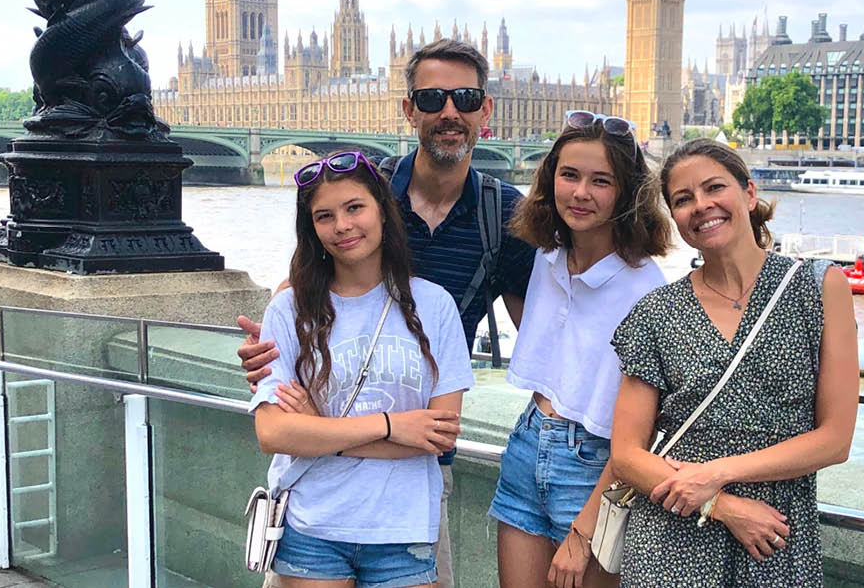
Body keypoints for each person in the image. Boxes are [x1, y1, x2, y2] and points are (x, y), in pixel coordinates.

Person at [239, 39, 536, 588]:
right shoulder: (365, 187)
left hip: (412, 486)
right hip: (317, 502)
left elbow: (537, 342)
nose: (449, 111)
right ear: (409, 110)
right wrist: (268, 348)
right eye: (432, 97)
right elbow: (300, 291)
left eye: (465, 97)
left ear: (485, 109)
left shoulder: (505, 215)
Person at [609, 139, 859, 587]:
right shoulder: (655, 313)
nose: (701, 206)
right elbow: (627, 455)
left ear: (748, 192)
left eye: (714, 188)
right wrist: (720, 504)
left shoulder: (818, 288)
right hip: (674, 538)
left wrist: (718, 474)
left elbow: (835, 439)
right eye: (683, 199)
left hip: (774, 537)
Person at [250, 149, 475, 587]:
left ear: (383, 212)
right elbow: (273, 433)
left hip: (403, 528)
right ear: (312, 230)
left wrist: (318, 431)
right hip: (311, 525)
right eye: (324, 216)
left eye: (355, 208)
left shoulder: (434, 305)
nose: (343, 226)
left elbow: (437, 435)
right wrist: (393, 425)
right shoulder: (288, 309)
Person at [488, 111, 672, 588]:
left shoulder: (644, 288)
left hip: (594, 466)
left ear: (626, 192)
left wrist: (584, 530)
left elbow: (639, 432)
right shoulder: (545, 257)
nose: (580, 193)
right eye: (569, 175)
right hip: (528, 442)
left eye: (600, 181)